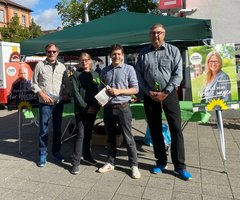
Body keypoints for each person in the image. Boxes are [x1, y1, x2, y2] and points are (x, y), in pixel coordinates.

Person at [135, 24, 192, 180]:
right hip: (150, 95)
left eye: (159, 33)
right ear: (149, 35)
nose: (156, 36)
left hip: (169, 95)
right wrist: (148, 92)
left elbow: (178, 74)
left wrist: (165, 92)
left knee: (175, 128)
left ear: (164, 34)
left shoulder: (173, 51)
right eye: (153, 33)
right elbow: (138, 74)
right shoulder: (143, 53)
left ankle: (180, 167)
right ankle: (161, 162)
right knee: (154, 129)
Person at [97, 44, 141, 179]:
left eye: (119, 54)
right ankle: (110, 162)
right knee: (110, 138)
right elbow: (101, 87)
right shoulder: (105, 70)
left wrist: (119, 91)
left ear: (122, 55)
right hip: (109, 108)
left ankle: (134, 165)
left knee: (128, 138)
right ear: (110, 55)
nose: (116, 56)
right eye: (114, 54)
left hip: (123, 107)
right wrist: (100, 99)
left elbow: (135, 89)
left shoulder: (129, 69)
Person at [31, 43, 69, 167]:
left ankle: (56, 152)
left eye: (53, 51)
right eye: (49, 51)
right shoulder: (39, 65)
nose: (51, 53)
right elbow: (33, 83)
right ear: (46, 52)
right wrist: (41, 94)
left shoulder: (62, 67)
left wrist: (66, 94)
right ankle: (42, 154)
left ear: (57, 53)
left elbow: (65, 84)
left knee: (58, 129)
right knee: (43, 129)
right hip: (45, 103)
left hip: (58, 103)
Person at [70, 52, 100, 175]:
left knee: (88, 133)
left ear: (90, 61)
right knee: (80, 135)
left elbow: (98, 90)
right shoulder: (76, 74)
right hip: (81, 110)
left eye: (86, 59)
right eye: (82, 60)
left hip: (92, 109)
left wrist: (97, 104)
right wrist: (85, 107)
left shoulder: (96, 74)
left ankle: (87, 156)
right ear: (79, 61)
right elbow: (75, 93)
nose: (84, 62)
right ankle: (75, 163)